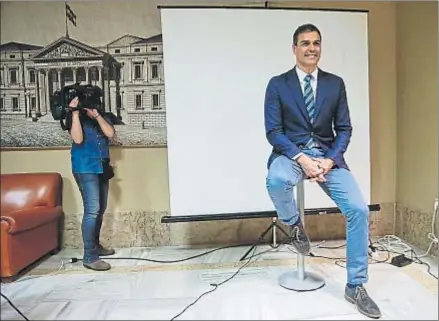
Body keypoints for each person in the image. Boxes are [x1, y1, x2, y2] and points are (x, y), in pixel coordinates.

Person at [264, 24, 381, 319]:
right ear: (294, 49)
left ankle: (355, 286)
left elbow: (344, 129)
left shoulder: (335, 83)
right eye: (305, 43)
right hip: (291, 153)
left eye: (316, 43)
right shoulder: (278, 84)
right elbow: (274, 132)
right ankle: (294, 226)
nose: (311, 48)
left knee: (358, 209)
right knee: (276, 180)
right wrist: (302, 159)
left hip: (328, 157)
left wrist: (329, 160)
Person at [68, 96, 116, 271]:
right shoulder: (73, 118)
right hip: (85, 167)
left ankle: (95, 246)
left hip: (102, 166)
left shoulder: (103, 116)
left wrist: (96, 116)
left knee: (100, 209)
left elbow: (110, 134)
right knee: (92, 210)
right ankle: (89, 256)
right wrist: (74, 113)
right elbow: (78, 139)